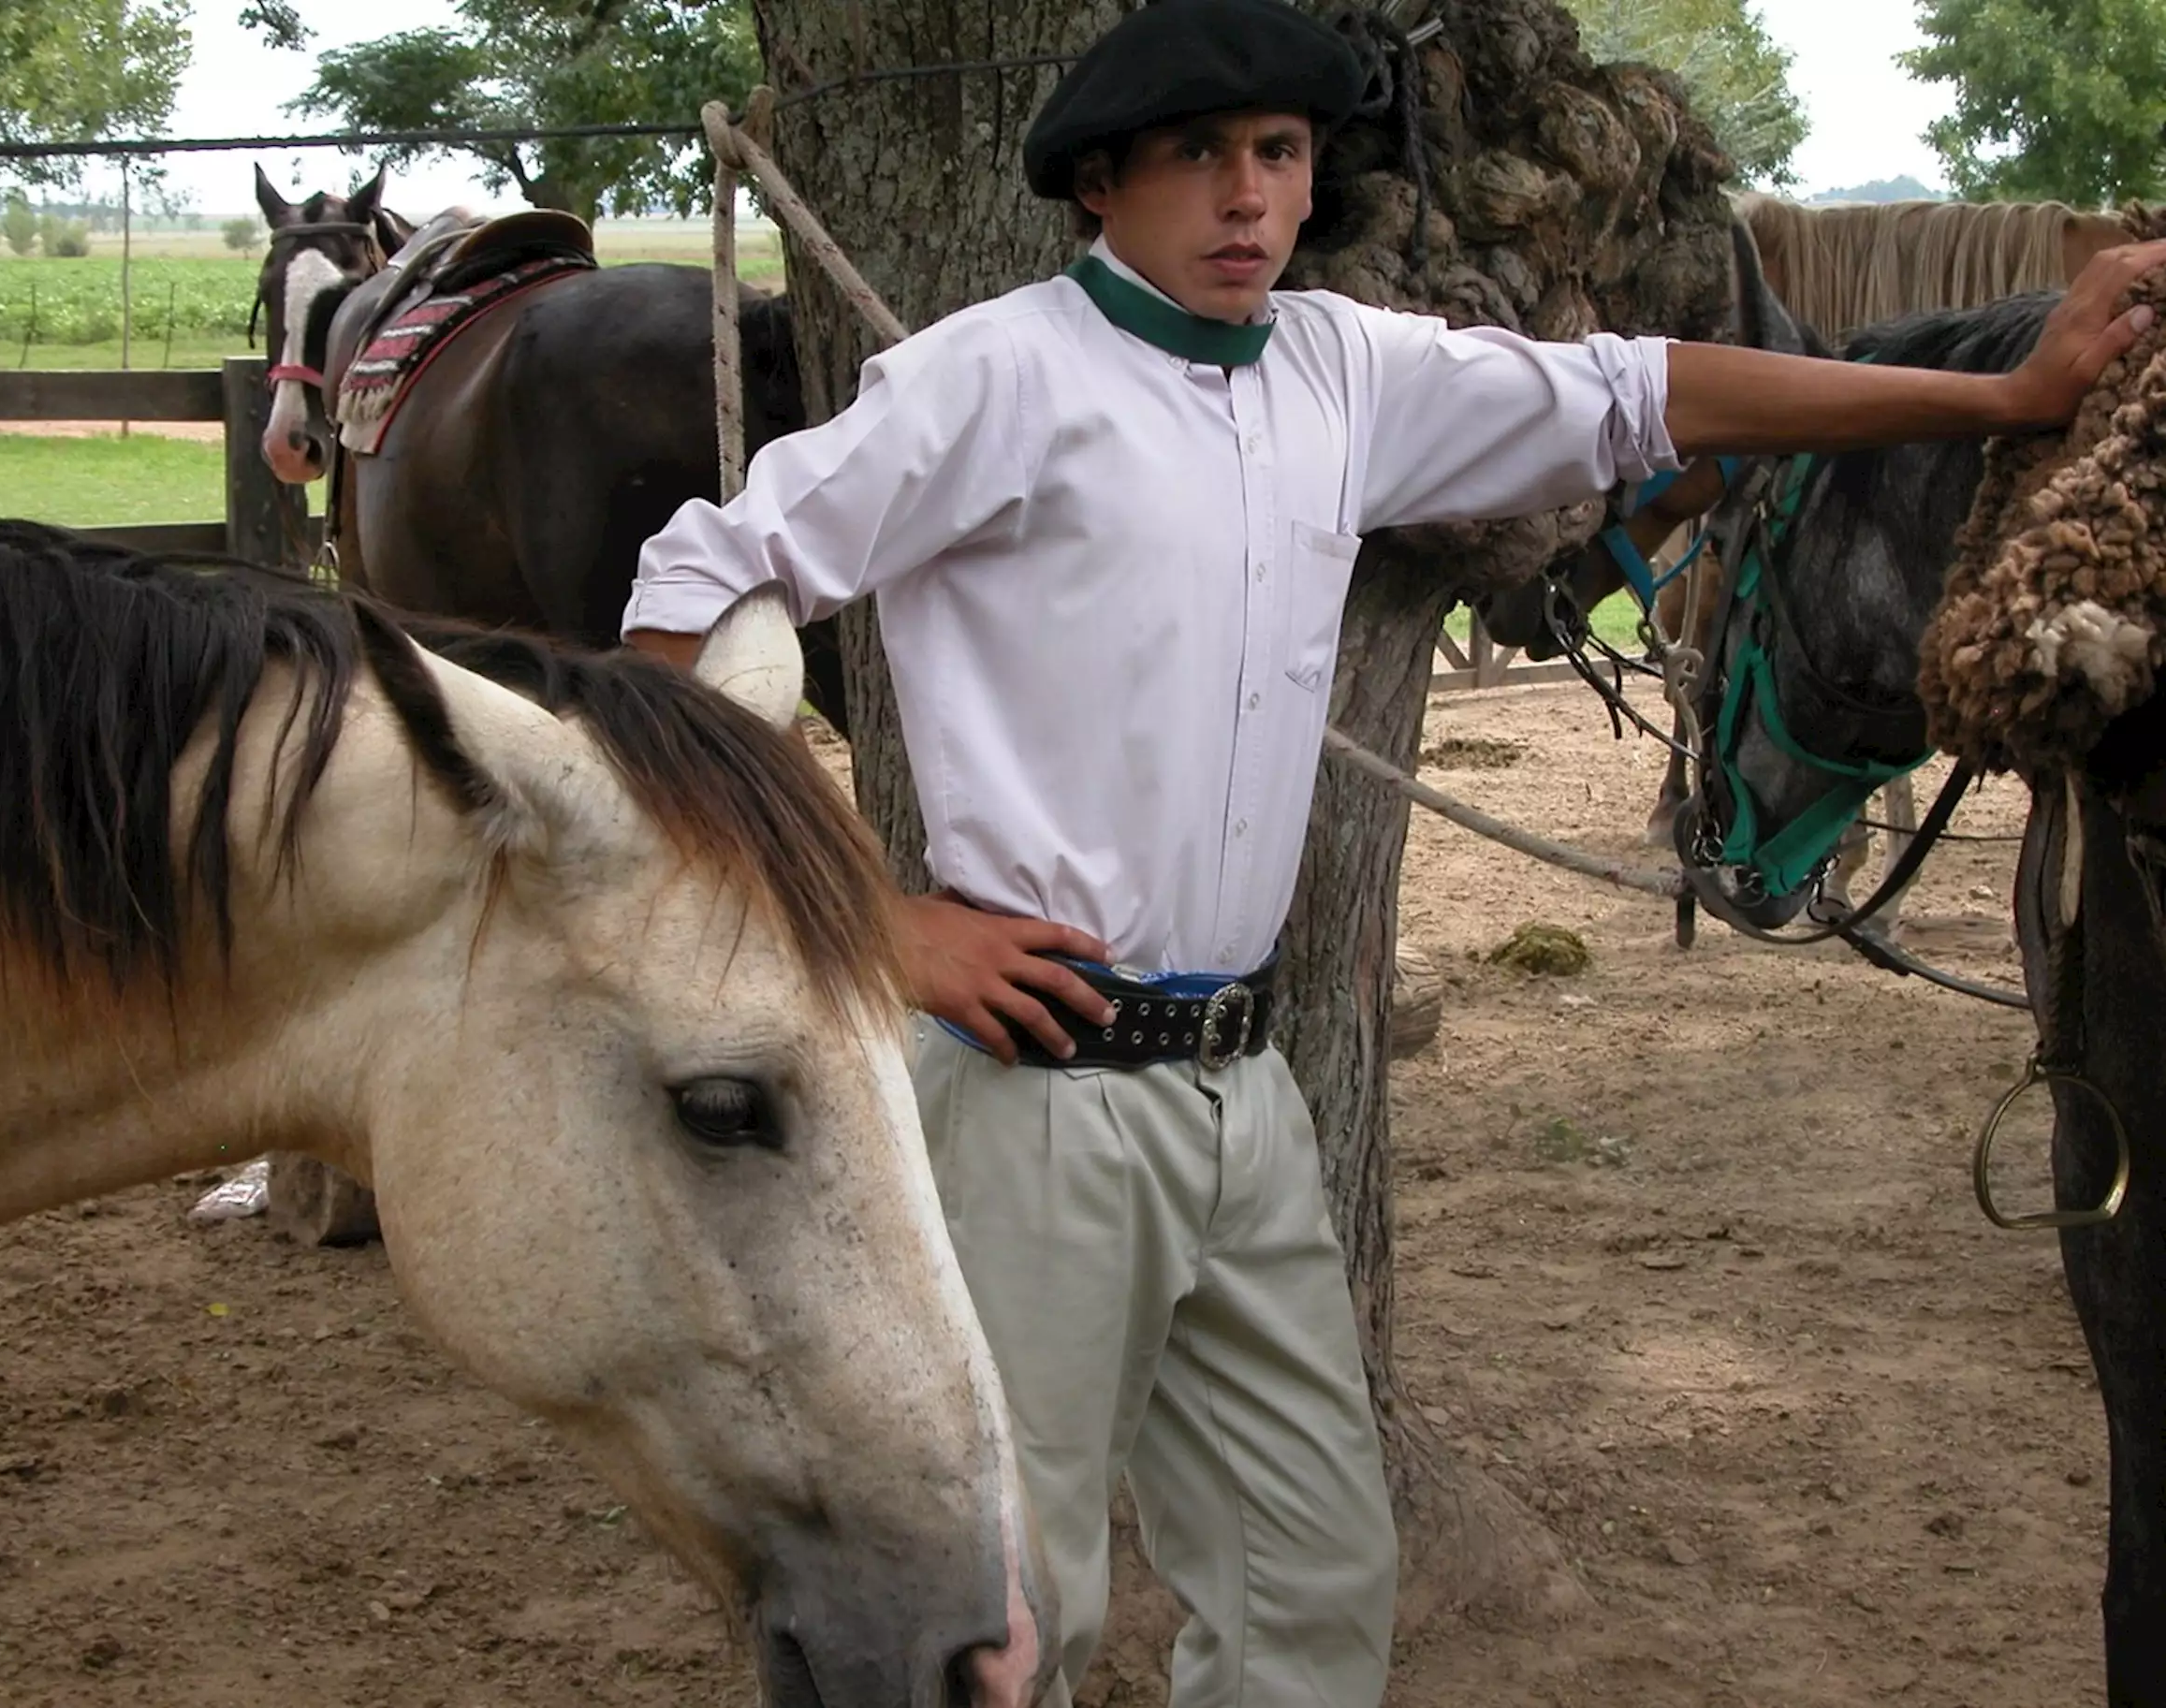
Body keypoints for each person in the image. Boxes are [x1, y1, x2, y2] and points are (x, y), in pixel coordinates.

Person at [622, 4, 2166, 1701]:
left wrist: (2002, 392)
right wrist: (867, 920)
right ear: (1096, 191)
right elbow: (691, 600)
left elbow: (1641, 394)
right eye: (1196, 158)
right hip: (1034, 1092)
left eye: (1275, 156)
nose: (1244, 197)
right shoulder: (994, 377)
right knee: (1006, 1614)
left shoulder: (1341, 372)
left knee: (1311, 1584)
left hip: (1248, 1095)